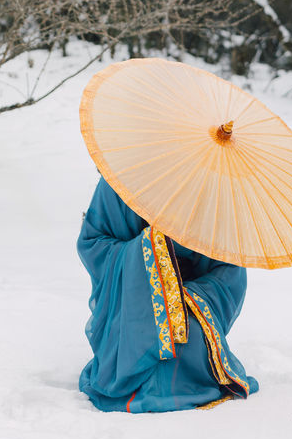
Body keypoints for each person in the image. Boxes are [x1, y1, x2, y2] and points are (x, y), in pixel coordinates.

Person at [77, 176, 259, 413]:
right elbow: (92, 242)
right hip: (130, 300)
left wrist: (183, 295)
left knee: (189, 339)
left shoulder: (210, 183)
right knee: (145, 346)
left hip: (189, 299)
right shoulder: (120, 177)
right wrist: (149, 249)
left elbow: (229, 267)